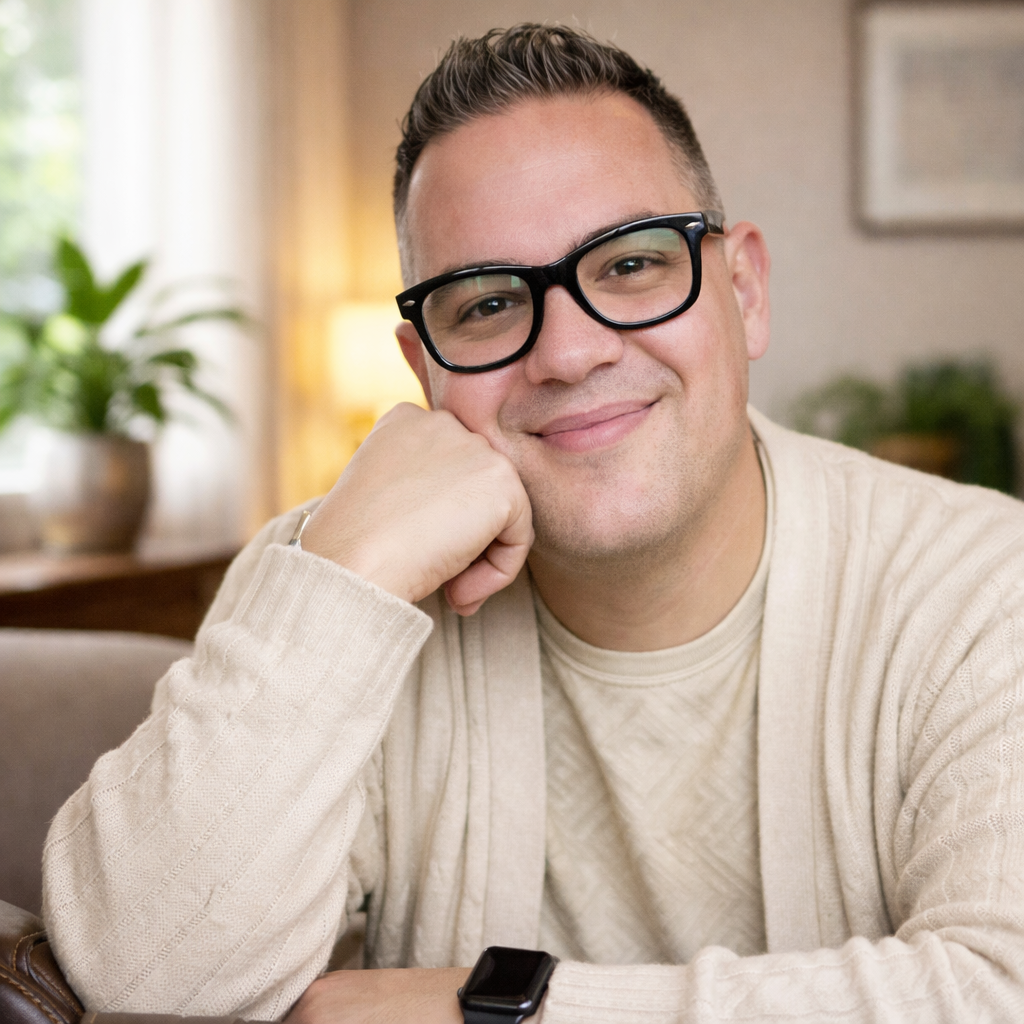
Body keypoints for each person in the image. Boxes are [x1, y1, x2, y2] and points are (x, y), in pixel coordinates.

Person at [42, 24, 1024, 1024]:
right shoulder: (334, 585)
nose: (567, 351)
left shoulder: (985, 586)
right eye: (485, 305)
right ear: (424, 369)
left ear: (744, 291)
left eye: (631, 267)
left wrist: (487, 1011)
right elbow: (136, 980)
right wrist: (345, 574)